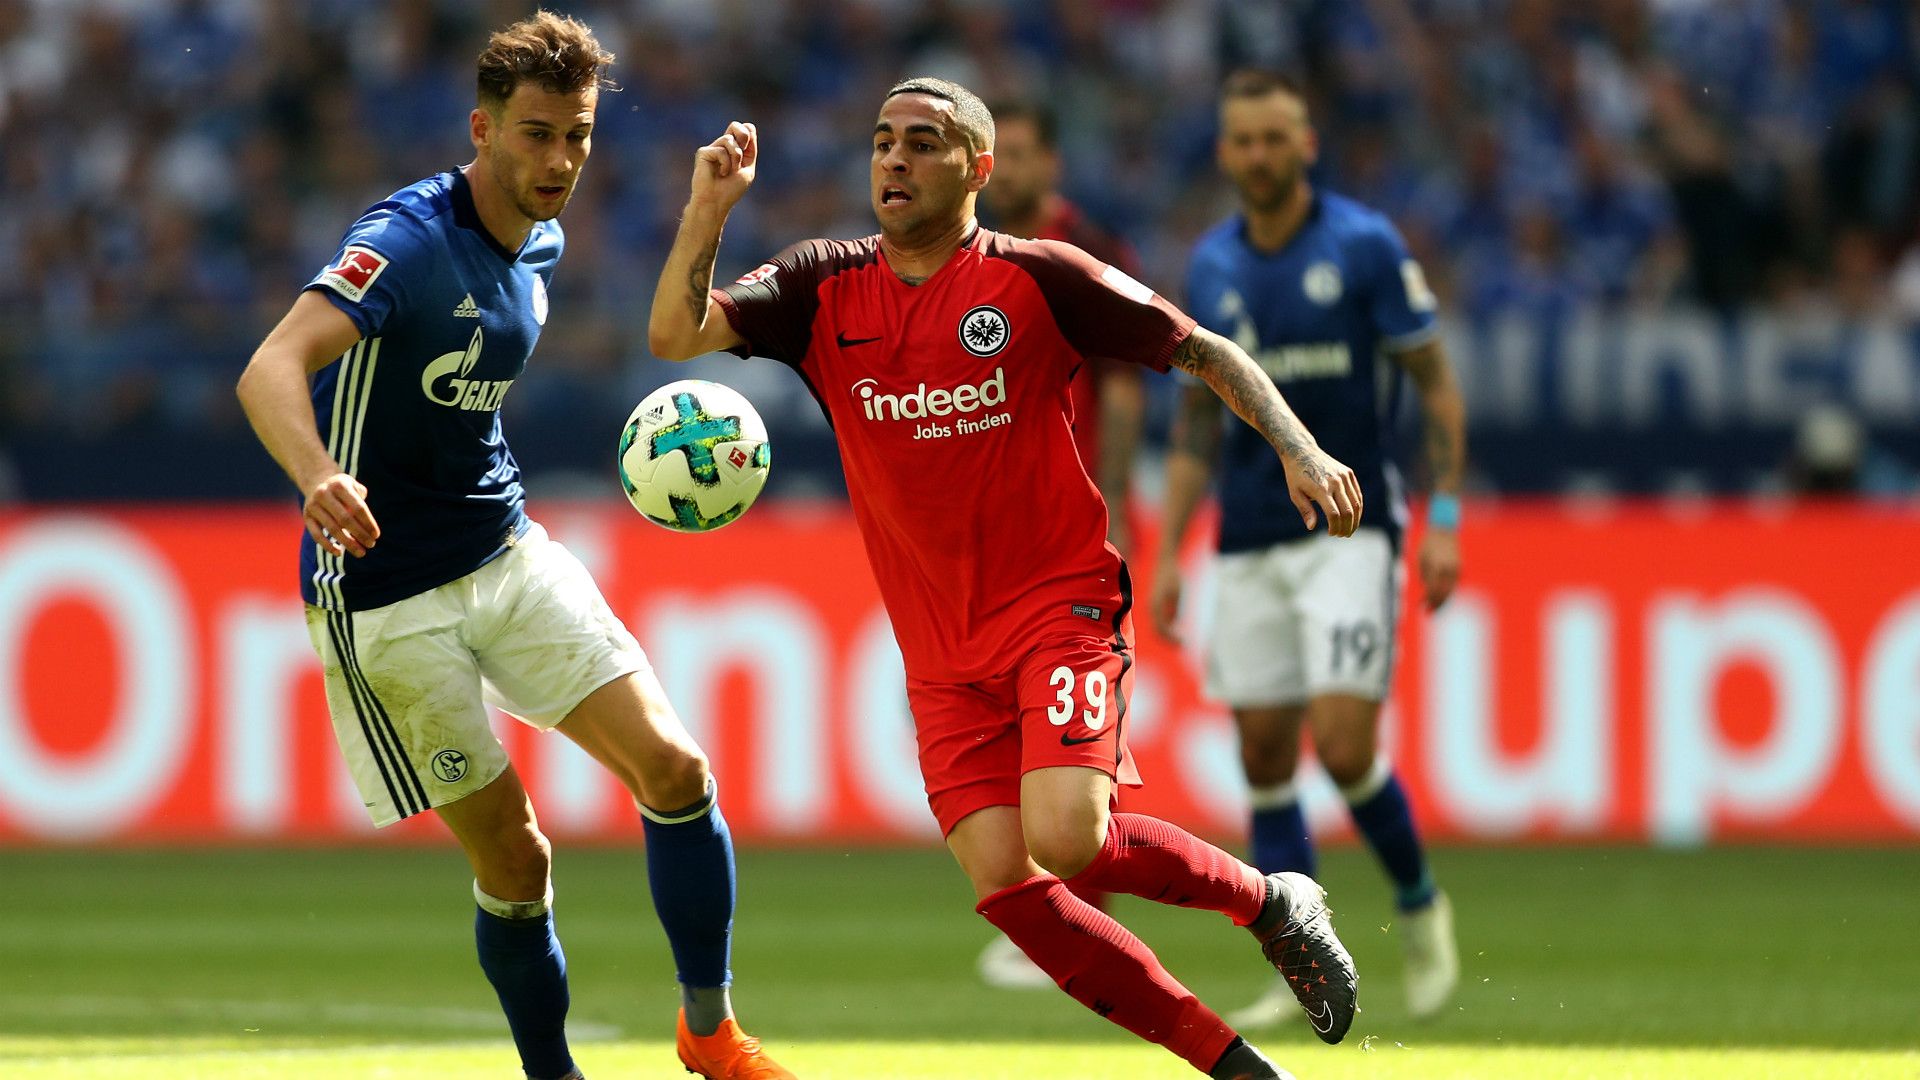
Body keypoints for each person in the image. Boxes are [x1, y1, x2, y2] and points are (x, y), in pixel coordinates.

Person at [648, 76, 1365, 1080]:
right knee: (1004, 880)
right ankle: (1237, 1066)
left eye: (923, 142)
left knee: (1067, 837)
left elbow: (1204, 351)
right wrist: (708, 211)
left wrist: (1300, 447)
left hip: (1056, 605)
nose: (894, 159)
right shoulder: (821, 286)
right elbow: (675, 336)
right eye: (883, 140)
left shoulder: (1039, 277)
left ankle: (1271, 901)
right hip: (940, 649)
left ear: (978, 168)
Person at [233, 14, 791, 1080]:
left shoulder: (542, 240)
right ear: (482, 130)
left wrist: (706, 214)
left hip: (503, 549)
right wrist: (318, 476)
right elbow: (271, 365)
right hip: (385, 593)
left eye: (577, 136)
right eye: (537, 134)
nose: (560, 161)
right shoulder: (406, 242)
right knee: (517, 858)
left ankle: (710, 1031)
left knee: (676, 770)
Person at [1152, 70, 1465, 1029]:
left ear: (1306, 144)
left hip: (1349, 525)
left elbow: (1434, 383)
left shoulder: (1364, 246)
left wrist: (1446, 518)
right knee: (1262, 756)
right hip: (1247, 533)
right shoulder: (1211, 263)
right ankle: (1303, 956)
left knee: (1342, 744)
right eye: (1243, 140)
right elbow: (1197, 425)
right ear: (1224, 152)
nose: (1259, 155)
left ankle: (1420, 904)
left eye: (1274, 138)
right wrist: (1168, 552)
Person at [971, 96, 1147, 992]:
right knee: (1014, 721)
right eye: (999, 155)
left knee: (1078, 727)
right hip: (1001, 525)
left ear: (1051, 165)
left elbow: (1124, 386)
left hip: (1076, 524)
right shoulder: (972, 255)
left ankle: (1083, 914)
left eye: (1023, 153)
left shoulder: (1087, 251)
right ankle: (1054, 909)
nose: (1009, 170)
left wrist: (1113, 501)